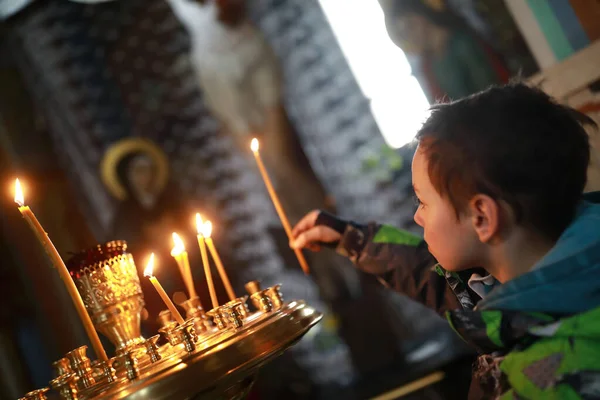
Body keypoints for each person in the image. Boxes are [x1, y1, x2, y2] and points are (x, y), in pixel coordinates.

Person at [291, 83, 600, 398]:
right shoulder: (538, 275)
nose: (417, 217)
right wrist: (352, 239)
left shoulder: (554, 379)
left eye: (423, 202)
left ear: (481, 217)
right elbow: (435, 278)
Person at [383, 0, 509, 101]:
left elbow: (489, 89)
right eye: (404, 34)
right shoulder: (429, 65)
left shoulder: (462, 43)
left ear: (423, 15)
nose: (410, 36)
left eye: (410, 26)